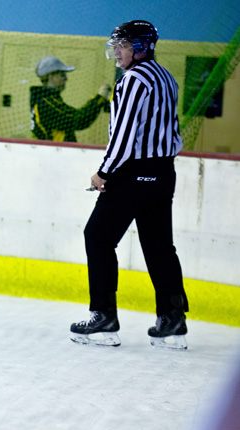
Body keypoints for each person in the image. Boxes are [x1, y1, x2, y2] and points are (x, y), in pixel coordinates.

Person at [70, 20, 188, 349]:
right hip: (164, 172)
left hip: (132, 173)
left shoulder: (132, 80)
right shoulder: (165, 76)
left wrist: (103, 173)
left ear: (140, 47)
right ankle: (173, 318)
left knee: (97, 237)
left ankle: (104, 317)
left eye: (122, 45)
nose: (117, 51)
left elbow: (124, 135)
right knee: (160, 246)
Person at [30, 56, 112, 142]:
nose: (66, 79)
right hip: (53, 152)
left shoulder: (48, 99)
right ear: (51, 76)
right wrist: (99, 98)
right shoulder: (46, 103)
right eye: (62, 75)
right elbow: (79, 120)